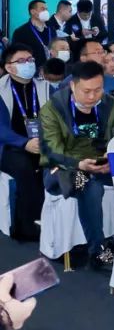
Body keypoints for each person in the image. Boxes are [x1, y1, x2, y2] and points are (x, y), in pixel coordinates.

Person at [40, 61, 114, 270]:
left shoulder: (112, 105)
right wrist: (79, 164)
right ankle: (98, 251)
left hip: (101, 164)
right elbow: (52, 151)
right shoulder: (52, 109)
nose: (92, 96)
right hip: (62, 169)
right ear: (72, 86)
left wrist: (111, 158)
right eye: (86, 91)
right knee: (89, 185)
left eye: (98, 90)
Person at [0, 46, 49, 241]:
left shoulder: (45, 87)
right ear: (9, 67)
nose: (28, 64)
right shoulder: (1, 89)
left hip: (42, 143)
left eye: (30, 59)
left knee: (57, 164)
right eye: (21, 61)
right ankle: (28, 227)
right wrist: (24, 143)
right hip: (10, 146)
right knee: (25, 166)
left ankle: (56, 222)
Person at [11, 0, 54, 68]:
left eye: (47, 9)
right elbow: (16, 53)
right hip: (32, 69)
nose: (46, 12)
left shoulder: (51, 29)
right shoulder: (21, 32)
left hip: (52, 68)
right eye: (43, 9)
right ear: (33, 12)